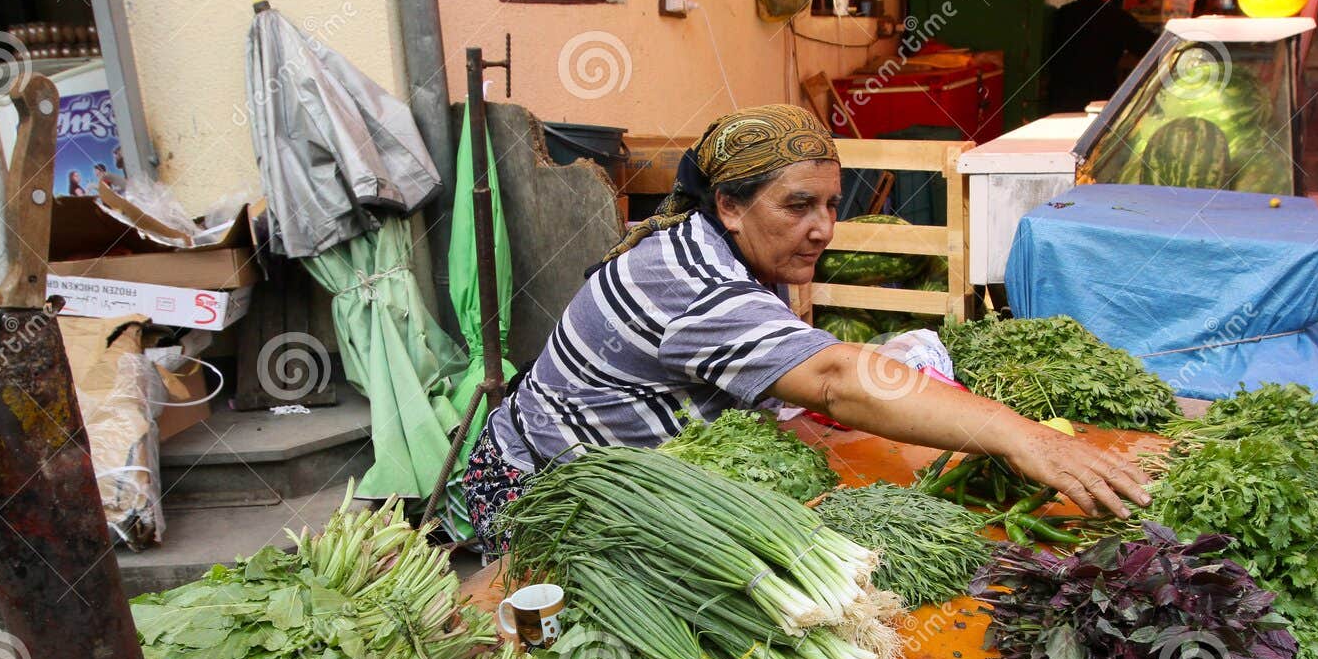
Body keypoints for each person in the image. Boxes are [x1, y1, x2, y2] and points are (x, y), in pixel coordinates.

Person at [462, 104, 1148, 559]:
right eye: (798, 205)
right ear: (728, 204)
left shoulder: (734, 248)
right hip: (543, 497)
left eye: (829, 204)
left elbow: (805, 369)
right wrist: (1023, 437)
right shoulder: (688, 280)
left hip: (647, 476)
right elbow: (833, 377)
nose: (823, 227)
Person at [1047, 0, 1159, 113]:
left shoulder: (1061, 15)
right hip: (1099, 106)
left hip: (1060, 102)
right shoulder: (1119, 20)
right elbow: (1153, 48)